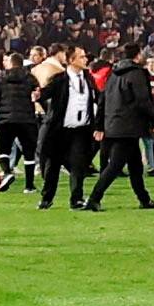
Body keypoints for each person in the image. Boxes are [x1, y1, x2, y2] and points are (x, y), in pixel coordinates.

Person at [85, 45, 154, 211]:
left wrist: (100, 124)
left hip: (113, 123)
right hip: (129, 126)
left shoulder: (113, 73)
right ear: (138, 55)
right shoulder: (137, 74)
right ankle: (94, 198)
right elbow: (143, 101)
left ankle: (144, 199)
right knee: (115, 166)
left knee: (135, 166)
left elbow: (103, 100)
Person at [36, 50, 100, 208]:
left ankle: (76, 199)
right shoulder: (60, 79)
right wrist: (38, 95)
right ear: (71, 60)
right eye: (82, 57)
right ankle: (46, 198)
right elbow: (46, 92)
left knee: (78, 165)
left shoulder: (88, 78)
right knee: (53, 166)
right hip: (60, 130)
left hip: (81, 130)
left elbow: (98, 98)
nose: (85, 59)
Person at [0, 51, 40, 190]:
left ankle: (7, 172)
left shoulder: (1, 77)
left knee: (3, 149)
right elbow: (39, 96)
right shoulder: (30, 78)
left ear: (11, 63)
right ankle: (29, 186)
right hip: (27, 119)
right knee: (29, 153)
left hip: (6, 119)